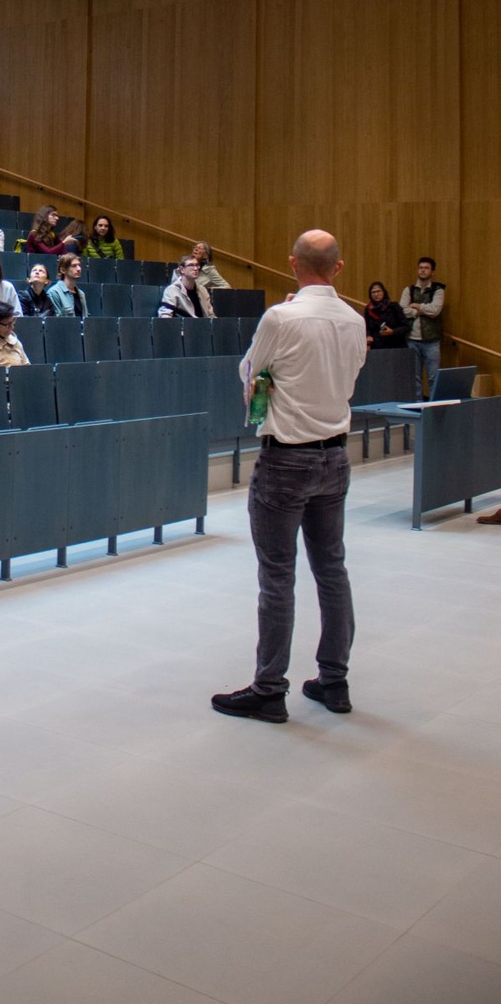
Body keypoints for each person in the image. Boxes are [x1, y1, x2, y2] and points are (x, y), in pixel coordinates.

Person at [212, 229, 367, 725]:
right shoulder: (355, 320)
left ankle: (269, 688)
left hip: (286, 461)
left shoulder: (280, 317)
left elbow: (249, 371)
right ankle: (334, 679)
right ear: (338, 268)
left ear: (293, 264)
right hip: (334, 457)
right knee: (332, 570)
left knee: (277, 576)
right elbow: (348, 377)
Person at [400, 257, 445, 398]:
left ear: (432, 272)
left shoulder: (438, 290)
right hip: (412, 340)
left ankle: (434, 408)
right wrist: (417, 312)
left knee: (433, 378)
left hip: (432, 341)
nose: (423, 270)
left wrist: (417, 306)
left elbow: (435, 310)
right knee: (415, 379)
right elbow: (402, 310)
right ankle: (418, 408)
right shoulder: (409, 290)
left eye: (426, 268)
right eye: (420, 268)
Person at [364, 282, 409, 349]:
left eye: (378, 291)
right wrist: (369, 336)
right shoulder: (368, 309)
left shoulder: (394, 307)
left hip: (396, 346)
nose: (376, 294)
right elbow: (367, 328)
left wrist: (392, 331)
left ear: (384, 292)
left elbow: (406, 327)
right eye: (373, 292)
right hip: (377, 347)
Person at [47, 253, 88, 317]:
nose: (79, 269)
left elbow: (85, 317)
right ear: (63, 270)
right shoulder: (54, 292)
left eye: (79, 265)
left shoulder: (81, 294)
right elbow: (55, 320)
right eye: (74, 266)